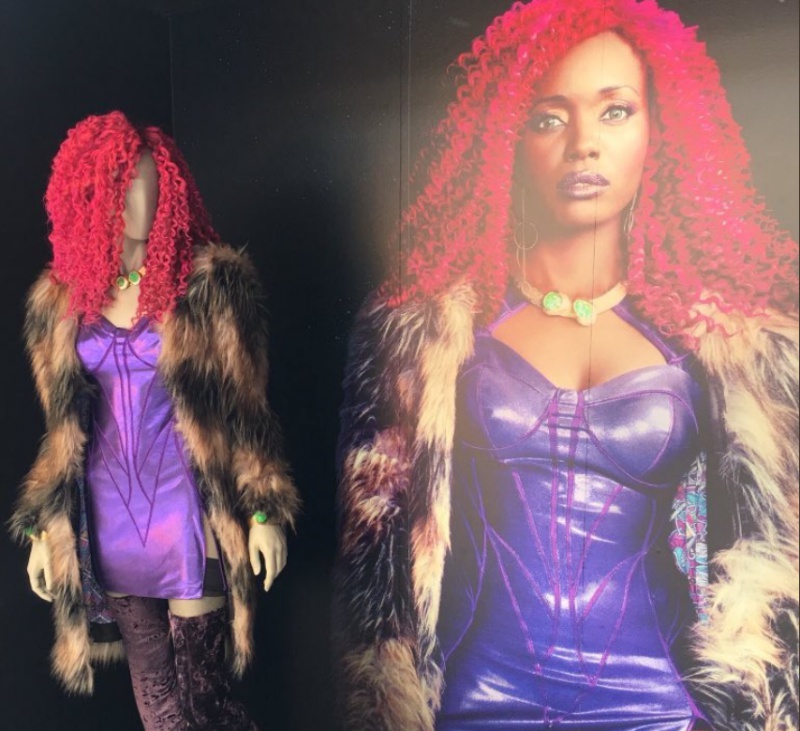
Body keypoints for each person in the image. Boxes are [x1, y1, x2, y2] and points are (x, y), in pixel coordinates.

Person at [333, 1, 798, 730]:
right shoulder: (423, 337)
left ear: (659, 130)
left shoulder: (729, 352)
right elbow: (376, 552)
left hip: (656, 704)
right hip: (478, 698)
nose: (584, 145)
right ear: (509, 142)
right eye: (549, 118)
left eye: (615, 111)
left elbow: (770, 553)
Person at [10, 111, 301, 730]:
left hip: (186, 509)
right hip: (108, 515)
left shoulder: (209, 286)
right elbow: (61, 434)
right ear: (91, 196)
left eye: (147, 182)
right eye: (122, 185)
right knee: (154, 691)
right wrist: (41, 530)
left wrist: (264, 511)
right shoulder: (60, 301)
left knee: (203, 696)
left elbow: (247, 410)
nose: (137, 202)